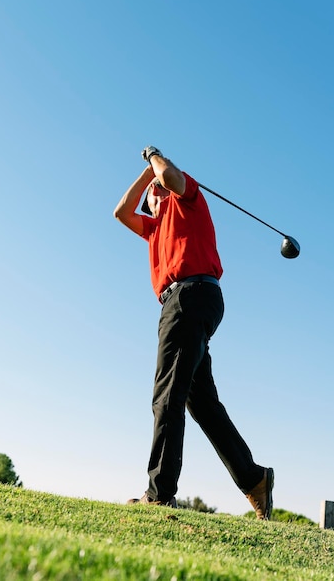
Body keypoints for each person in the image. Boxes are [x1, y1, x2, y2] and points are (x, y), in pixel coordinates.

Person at [113, 145, 274, 520]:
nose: (150, 194)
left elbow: (170, 177)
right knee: (199, 401)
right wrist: (145, 175)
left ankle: (159, 493)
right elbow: (121, 211)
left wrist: (155, 157)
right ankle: (254, 479)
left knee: (166, 394)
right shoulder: (154, 228)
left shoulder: (187, 199)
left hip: (190, 295)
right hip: (188, 301)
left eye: (155, 189)